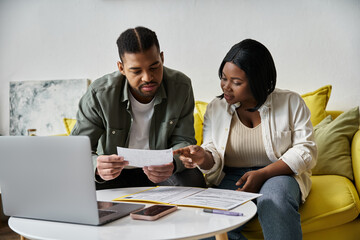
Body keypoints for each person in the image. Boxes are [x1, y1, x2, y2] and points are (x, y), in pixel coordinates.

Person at [174, 39, 317, 240]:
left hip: (278, 173)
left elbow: (306, 151)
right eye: (223, 78)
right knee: (208, 226)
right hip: (232, 178)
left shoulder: (291, 102)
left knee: (274, 201)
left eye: (236, 82)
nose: (226, 87)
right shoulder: (216, 108)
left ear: (257, 80)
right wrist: (202, 157)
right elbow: (212, 153)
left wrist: (262, 173)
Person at [71, 26, 205, 190]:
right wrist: (97, 167)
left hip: (161, 170)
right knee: (76, 184)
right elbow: (76, 149)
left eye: (154, 67)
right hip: (113, 175)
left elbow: (184, 140)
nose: (148, 78)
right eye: (136, 71)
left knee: (194, 181)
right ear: (121, 68)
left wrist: (173, 163)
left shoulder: (181, 86)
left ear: (162, 58)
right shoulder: (100, 94)